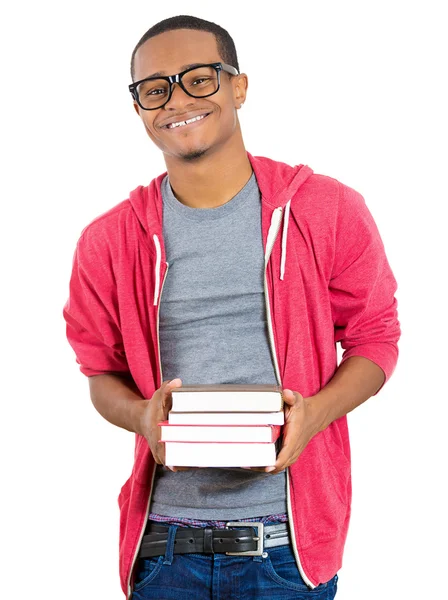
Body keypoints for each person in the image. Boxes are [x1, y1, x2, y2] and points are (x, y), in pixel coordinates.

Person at [63, 14, 400, 600]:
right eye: (155, 89)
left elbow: (376, 339)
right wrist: (143, 418)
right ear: (139, 107)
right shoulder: (109, 240)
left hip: (288, 551)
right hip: (165, 549)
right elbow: (100, 371)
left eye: (199, 78)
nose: (177, 101)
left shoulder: (327, 209)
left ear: (237, 87)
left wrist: (316, 413)